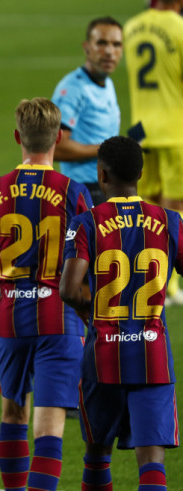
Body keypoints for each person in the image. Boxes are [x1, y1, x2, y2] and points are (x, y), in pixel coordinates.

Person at [0, 98, 93, 491]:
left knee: (12, 414)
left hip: (11, 317)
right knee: (49, 426)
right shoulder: (74, 192)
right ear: (58, 138)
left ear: (17, 137)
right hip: (59, 317)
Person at [60, 136, 180, 491]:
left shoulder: (87, 223)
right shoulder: (170, 221)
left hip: (103, 356)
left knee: (98, 453)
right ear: (141, 174)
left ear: (102, 174)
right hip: (152, 355)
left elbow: (68, 289)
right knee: (152, 460)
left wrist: (88, 313)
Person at [124, 0, 183, 303]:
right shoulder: (179, 28)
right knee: (175, 208)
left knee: (146, 210)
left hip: (141, 131)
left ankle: (142, 280)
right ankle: (169, 286)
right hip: (175, 131)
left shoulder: (131, 27)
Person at [51, 16, 123, 206]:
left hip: (107, 187)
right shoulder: (73, 89)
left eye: (116, 44)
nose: (110, 51)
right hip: (85, 191)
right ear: (87, 47)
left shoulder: (107, 84)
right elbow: (55, 147)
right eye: (101, 43)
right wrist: (108, 150)